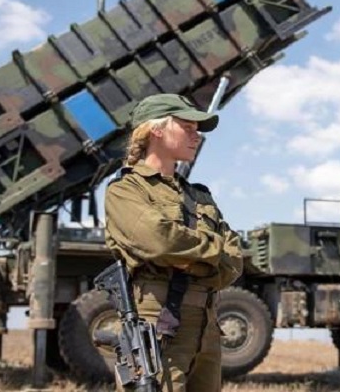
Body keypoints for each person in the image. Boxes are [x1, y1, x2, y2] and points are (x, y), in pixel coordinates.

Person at [104, 93, 243, 392]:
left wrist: (192, 257)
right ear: (155, 129)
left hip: (207, 325)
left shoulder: (199, 196)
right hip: (158, 321)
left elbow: (234, 259)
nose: (197, 135)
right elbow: (160, 242)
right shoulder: (126, 189)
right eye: (187, 127)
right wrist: (212, 251)